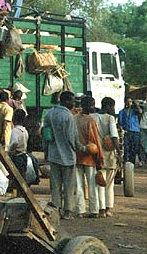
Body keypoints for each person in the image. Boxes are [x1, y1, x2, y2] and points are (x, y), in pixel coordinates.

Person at [42, 90, 88, 220]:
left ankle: (55, 210)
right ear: (66, 101)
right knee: (68, 186)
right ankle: (67, 211)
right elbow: (72, 137)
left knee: (55, 186)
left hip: (53, 155)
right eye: (72, 101)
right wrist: (81, 148)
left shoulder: (49, 114)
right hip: (68, 156)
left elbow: (45, 135)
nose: (73, 104)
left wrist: (46, 151)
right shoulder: (69, 117)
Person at [75, 95, 104, 218]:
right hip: (90, 157)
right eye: (92, 105)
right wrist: (100, 158)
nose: (93, 107)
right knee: (92, 185)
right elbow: (95, 141)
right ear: (87, 106)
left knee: (79, 185)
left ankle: (80, 210)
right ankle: (94, 210)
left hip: (77, 155)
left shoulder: (74, 119)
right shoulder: (91, 120)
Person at [93, 97, 121, 217]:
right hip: (109, 153)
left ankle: (101, 209)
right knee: (109, 183)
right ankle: (108, 208)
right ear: (109, 106)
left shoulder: (92, 117)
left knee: (99, 182)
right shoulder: (110, 118)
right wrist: (119, 152)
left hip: (96, 153)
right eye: (113, 106)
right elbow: (114, 136)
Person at [7, 109, 29, 193]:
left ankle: (18, 193)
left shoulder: (15, 131)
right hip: (23, 155)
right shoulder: (24, 131)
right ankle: (22, 192)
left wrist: (9, 150)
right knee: (22, 176)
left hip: (17, 156)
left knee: (16, 176)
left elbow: (14, 142)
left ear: (13, 119)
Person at [118, 97, 141, 164]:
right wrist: (122, 129)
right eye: (127, 101)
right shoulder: (121, 112)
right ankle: (125, 161)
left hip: (135, 131)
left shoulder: (134, 111)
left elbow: (140, 112)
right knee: (126, 147)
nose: (129, 103)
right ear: (125, 102)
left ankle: (132, 162)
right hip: (126, 131)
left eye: (130, 102)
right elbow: (120, 122)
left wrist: (136, 104)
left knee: (134, 147)